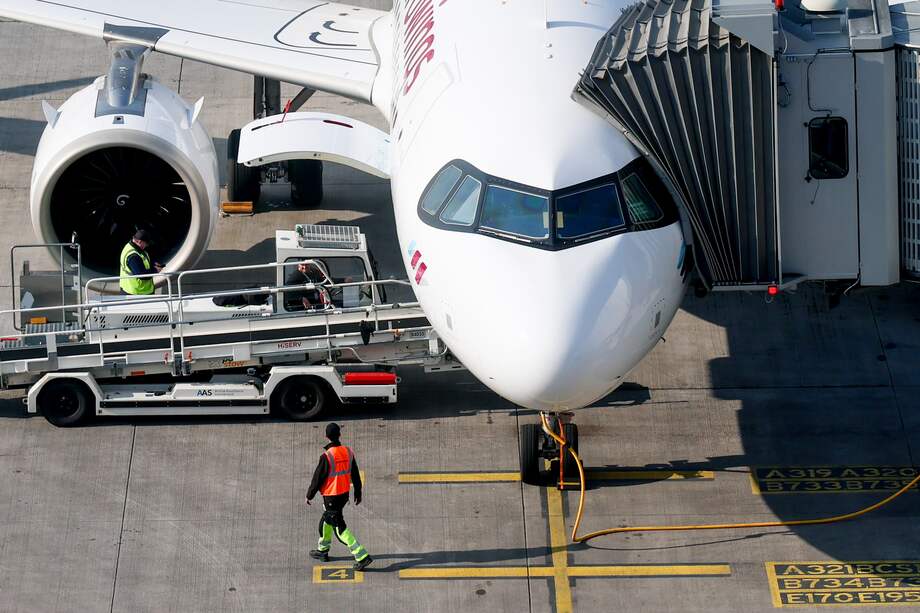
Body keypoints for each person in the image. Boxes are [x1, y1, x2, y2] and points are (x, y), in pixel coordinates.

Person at [306, 422, 372, 571]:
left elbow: (317, 478)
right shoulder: (348, 452)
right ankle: (323, 550)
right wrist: (358, 492)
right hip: (343, 495)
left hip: (331, 496)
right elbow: (355, 474)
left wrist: (309, 495)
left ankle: (362, 556)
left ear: (326, 436)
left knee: (339, 528)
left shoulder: (327, 456)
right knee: (325, 521)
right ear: (339, 435)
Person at [119, 229, 163, 295]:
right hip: (135, 293)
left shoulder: (134, 247)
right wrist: (155, 270)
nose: (147, 246)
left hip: (140, 291)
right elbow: (141, 275)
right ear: (139, 241)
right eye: (146, 243)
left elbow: (142, 261)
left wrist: (153, 264)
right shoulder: (132, 256)